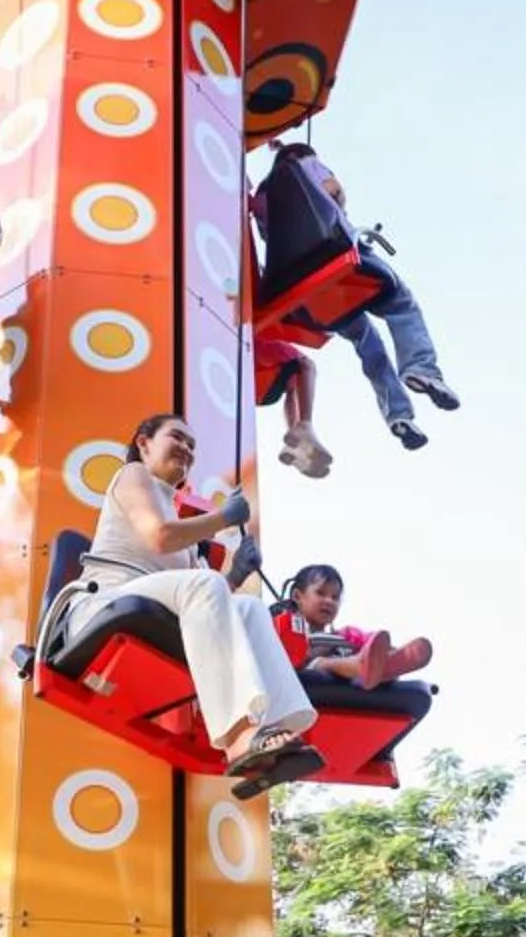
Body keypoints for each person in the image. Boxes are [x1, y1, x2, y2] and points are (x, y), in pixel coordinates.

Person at [73, 414, 323, 789]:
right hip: (106, 600)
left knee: (250, 607)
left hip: (154, 603)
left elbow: (210, 598)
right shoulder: (134, 475)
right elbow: (158, 537)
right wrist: (222, 517)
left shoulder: (178, 520)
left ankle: (276, 729)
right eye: (177, 437)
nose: (187, 450)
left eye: (192, 446)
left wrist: (238, 572)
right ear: (144, 443)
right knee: (205, 584)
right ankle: (240, 735)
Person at [314, 163, 458, 452]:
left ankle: (399, 417)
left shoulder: (266, 196)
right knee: (402, 305)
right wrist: (339, 202)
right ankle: (421, 368)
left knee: (368, 344)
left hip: (310, 293)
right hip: (339, 262)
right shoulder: (309, 170)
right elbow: (331, 191)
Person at [274, 565, 432, 691]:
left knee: (362, 646)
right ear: (297, 597)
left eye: (335, 597)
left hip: (351, 680)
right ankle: (362, 666)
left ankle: (388, 664)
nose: (329, 601)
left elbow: (373, 641)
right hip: (310, 677)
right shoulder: (289, 627)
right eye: (321, 593)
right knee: (320, 662)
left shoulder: (346, 635)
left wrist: (386, 650)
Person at [256, 337, 333, 478]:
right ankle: (304, 425)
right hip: (253, 353)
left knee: (293, 382)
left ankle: (294, 442)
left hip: (262, 390)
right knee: (306, 365)